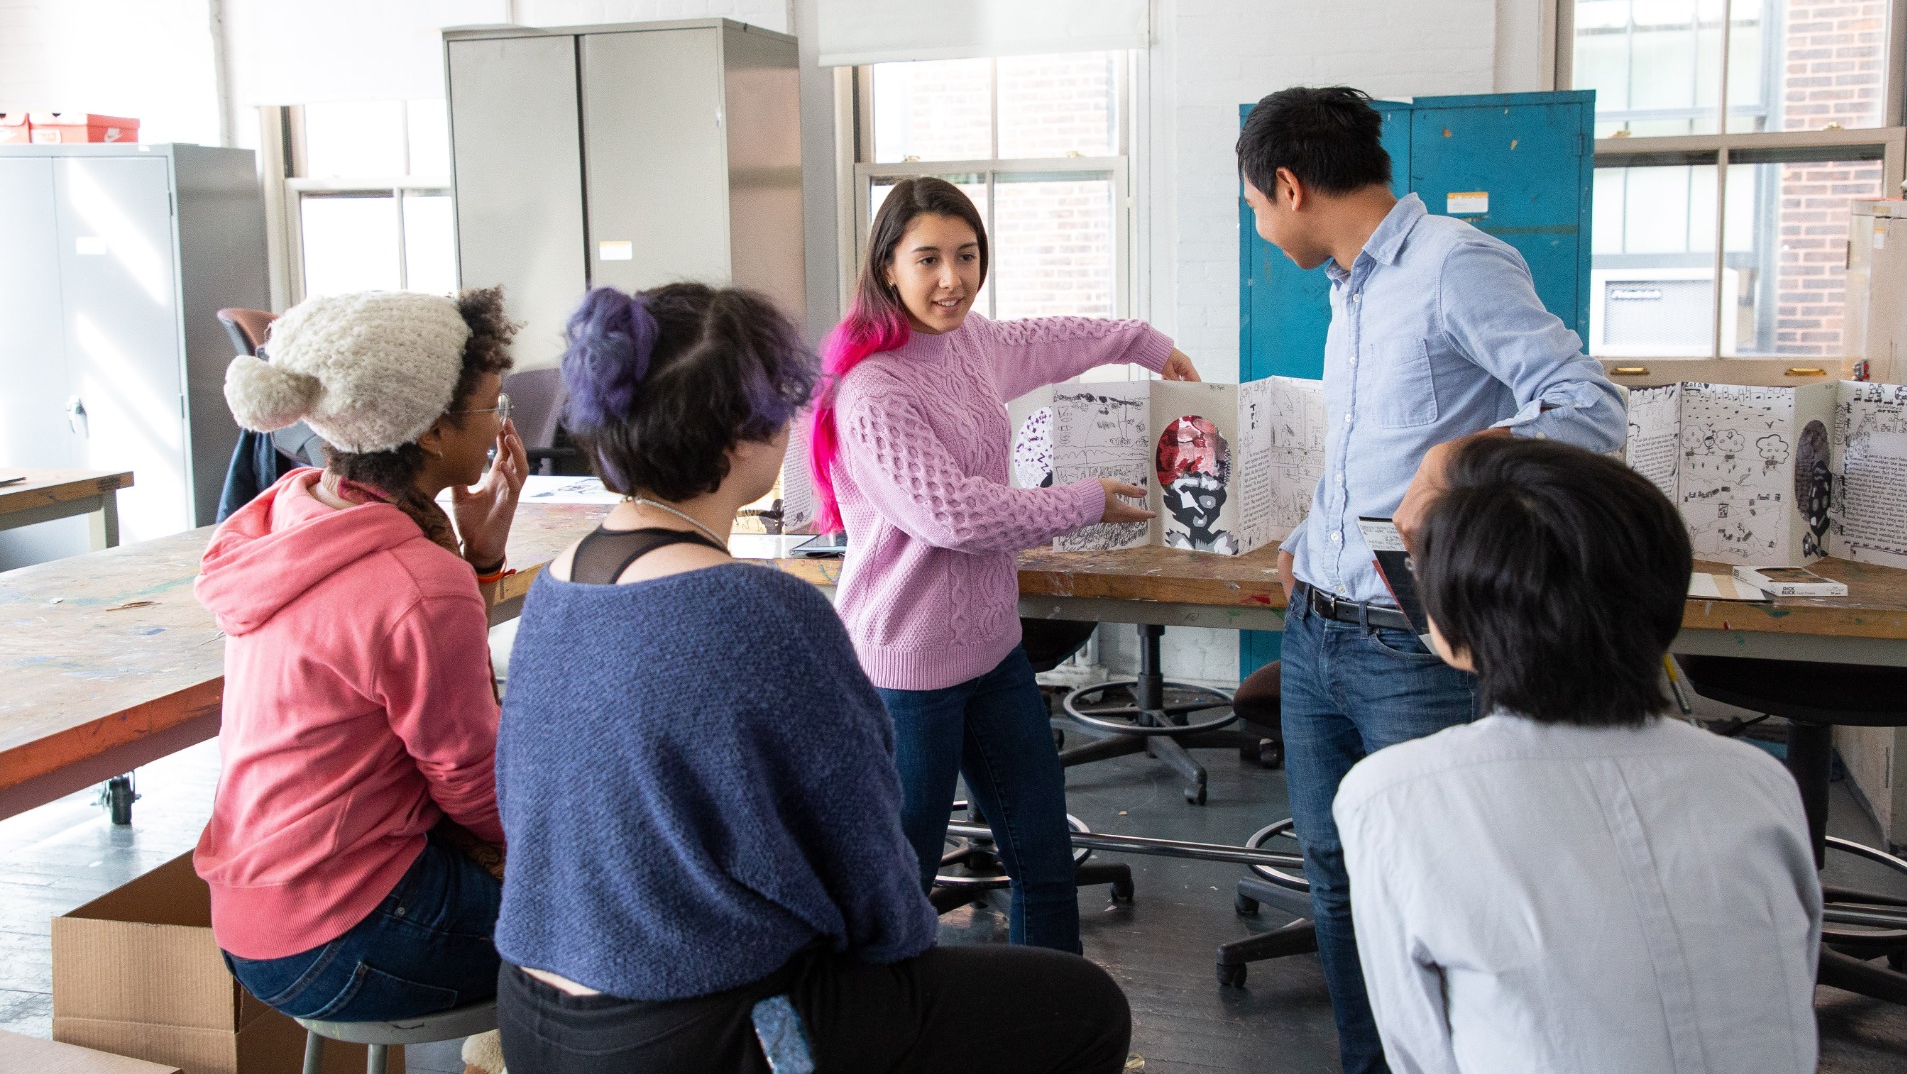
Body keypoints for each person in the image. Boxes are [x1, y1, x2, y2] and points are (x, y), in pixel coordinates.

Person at [493, 283, 1132, 1074]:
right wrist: (902, 962)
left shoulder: (560, 579)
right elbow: (868, 862)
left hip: (534, 1011)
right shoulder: (761, 609)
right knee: (1086, 1008)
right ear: (743, 434)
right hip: (702, 1032)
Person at [1237, 86, 1628, 1072]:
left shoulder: (1455, 264)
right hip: (1317, 627)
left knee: (1437, 885)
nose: (1258, 223)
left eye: (1254, 203)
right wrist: (1312, 533)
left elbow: (1589, 408)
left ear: (1289, 185)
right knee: (1335, 875)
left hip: (1410, 645)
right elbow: (1375, 445)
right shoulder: (1351, 285)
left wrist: (1461, 459)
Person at [1334, 437, 1821, 1074]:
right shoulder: (1759, 781)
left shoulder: (1392, 797)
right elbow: (1789, 985)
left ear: (1455, 615)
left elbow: (1419, 1051)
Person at [809, 176, 1198, 954]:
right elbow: (952, 515)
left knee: (1045, 863)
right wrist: (1083, 502)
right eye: (928, 259)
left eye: (967, 255)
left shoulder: (970, 342)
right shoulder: (873, 389)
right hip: (907, 672)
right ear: (888, 267)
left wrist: (1142, 341)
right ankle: (892, 1019)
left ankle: (1057, 1016)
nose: (952, 279)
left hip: (993, 653)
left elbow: (1049, 339)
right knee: (901, 892)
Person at [195, 288, 528, 1021]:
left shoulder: (294, 509)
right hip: (347, 933)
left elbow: (410, 666)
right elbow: (472, 780)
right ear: (433, 430)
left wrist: (477, 556)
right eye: (493, 406)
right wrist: (566, 842)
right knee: (622, 916)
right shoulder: (416, 579)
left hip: (256, 920)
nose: (502, 424)